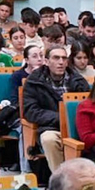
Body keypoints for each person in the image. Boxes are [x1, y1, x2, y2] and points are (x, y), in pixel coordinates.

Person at [23, 43, 74, 172]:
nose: (61, 62)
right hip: (51, 127)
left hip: (76, 126)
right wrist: (60, 118)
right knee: (48, 139)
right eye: (56, 58)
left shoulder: (77, 80)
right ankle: (61, 180)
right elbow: (30, 111)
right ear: (46, 61)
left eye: (64, 58)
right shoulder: (34, 82)